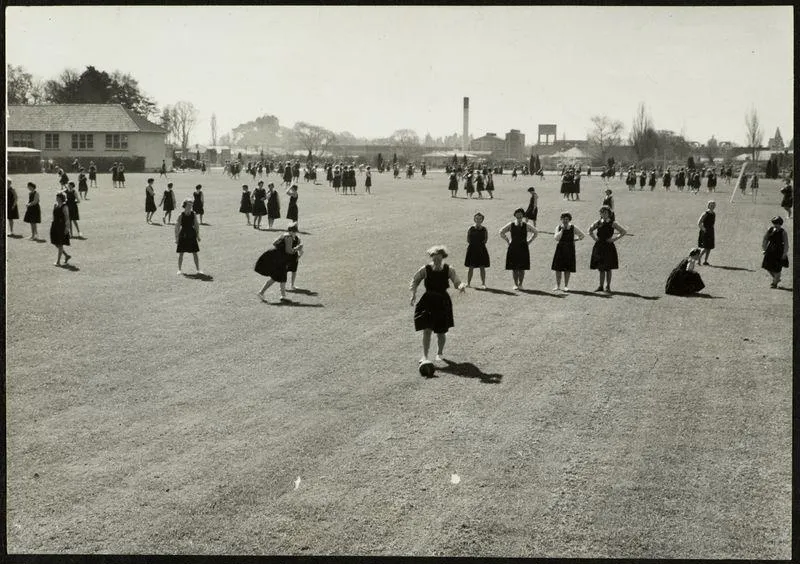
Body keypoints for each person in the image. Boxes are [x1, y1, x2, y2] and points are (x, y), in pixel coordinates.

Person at [409, 245, 466, 365]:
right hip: (428, 301)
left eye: (439, 259)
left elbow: (457, 281)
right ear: (431, 258)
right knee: (427, 329)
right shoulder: (425, 269)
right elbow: (415, 280)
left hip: (442, 302)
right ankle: (424, 356)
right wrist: (413, 294)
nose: (436, 261)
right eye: (434, 259)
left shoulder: (448, 269)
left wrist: (460, 286)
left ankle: (439, 353)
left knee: (441, 332)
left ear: (443, 257)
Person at [255, 222, 303, 301]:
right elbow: (289, 251)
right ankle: (265, 293)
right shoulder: (289, 237)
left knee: (277, 277)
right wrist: (297, 248)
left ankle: (280, 295)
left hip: (275, 257)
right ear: (292, 231)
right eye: (295, 232)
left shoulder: (284, 235)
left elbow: (274, 243)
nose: (295, 234)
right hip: (280, 260)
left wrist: (281, 248)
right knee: (279, 277)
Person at [588, 205, 627, 292]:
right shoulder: (598, 223)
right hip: (599, 246)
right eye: (602, 212)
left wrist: (614, 239)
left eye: (605, 212)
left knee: (608, 268)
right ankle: (601, 286)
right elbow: (589, 230)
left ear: (609, 214)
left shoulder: (613, 223)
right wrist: (594, 238)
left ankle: (608, 286)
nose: (603, 214)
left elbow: (623, 232)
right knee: (601, 268)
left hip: (609, 246)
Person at [500, 208, 538, 290]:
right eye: (517, 214)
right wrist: (507, 240)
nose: (519, 216)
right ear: (515, 215)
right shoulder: (511, 224)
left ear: (523, 215)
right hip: (513, 247)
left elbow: (535, 232)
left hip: (523, 247)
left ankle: (521, 284)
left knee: (522, 268)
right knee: (514, 268)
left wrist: (529, 241)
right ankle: (515, 284)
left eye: (521, 214)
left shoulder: (526, 225)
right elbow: (501, 232)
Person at [551, 212, 585, 292]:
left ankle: (566, 286)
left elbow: (582, 235)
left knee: (567, 268)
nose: (565, 221)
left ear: (569, 220)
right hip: (560, 249)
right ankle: (558, 286)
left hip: (569, 249)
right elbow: (556, 238)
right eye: (563, 219)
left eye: (567, 219)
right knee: (558, 268)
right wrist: (562, 231)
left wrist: (574, 240)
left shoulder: (573, 227)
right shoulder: (558, 227)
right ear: (561, 219)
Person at [761, 216, 789, 288]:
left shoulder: (783, 232)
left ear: (780, 224)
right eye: (774, 223)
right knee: (767, 266)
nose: (776, 225)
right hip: (770, 250)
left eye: (777, 224)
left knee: (777, 268)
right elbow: (765, 239)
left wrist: (784, 253)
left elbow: (786, 243)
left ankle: (774, 283)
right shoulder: (770, 229)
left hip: (779, 251)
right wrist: (764, 249)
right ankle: (776, 278)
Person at [175, 199, 201, 275]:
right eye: (189, 205)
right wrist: (176, 238)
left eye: (191, 205)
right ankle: (179, 270)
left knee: (195, 253)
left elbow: (196, 225)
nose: (190, 207)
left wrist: (198, 236)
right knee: (181, 253)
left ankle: (198, 270)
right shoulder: (181, 215)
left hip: (192, 234)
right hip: (183, 234)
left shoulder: (194, 214)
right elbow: (177, 227)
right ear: (185, 206)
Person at [464, 212, 490, 289]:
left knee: (482, 267)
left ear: (482, 220)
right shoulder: (471, 228)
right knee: (471, 267)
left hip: (481, 249)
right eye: (477, 218)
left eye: (480, 219)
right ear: (474, 219)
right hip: (472, 250)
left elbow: (485, 240)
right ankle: (468, 283)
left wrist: (479, 245)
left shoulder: (484, 229)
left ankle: (483, 283)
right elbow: (468, 239)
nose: (478, 220)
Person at [50, 191, 72, 266]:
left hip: (61, 226)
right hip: (54, 225)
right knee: (56, 243)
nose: (57, 198)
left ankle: (58, 262)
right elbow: (53, 215)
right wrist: (52, 221)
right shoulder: (55, 205)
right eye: (56, 197)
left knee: (60, 244)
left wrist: (67, 228)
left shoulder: (65, 206)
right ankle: (66, 256)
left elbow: (67, 218)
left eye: (58, 197)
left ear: (62, 198)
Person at [697, 200, 716, 265]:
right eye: (711, 205)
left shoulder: (713, 213)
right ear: (708, 205)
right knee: (705, 247)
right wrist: (704, 229)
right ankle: (699, 258)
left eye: (713, 205)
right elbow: (699, 223)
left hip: (711, 231)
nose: (712, 206)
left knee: (709, 247)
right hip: (705, 231)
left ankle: (705, 261)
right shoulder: (705, 213)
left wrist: (711, 230)